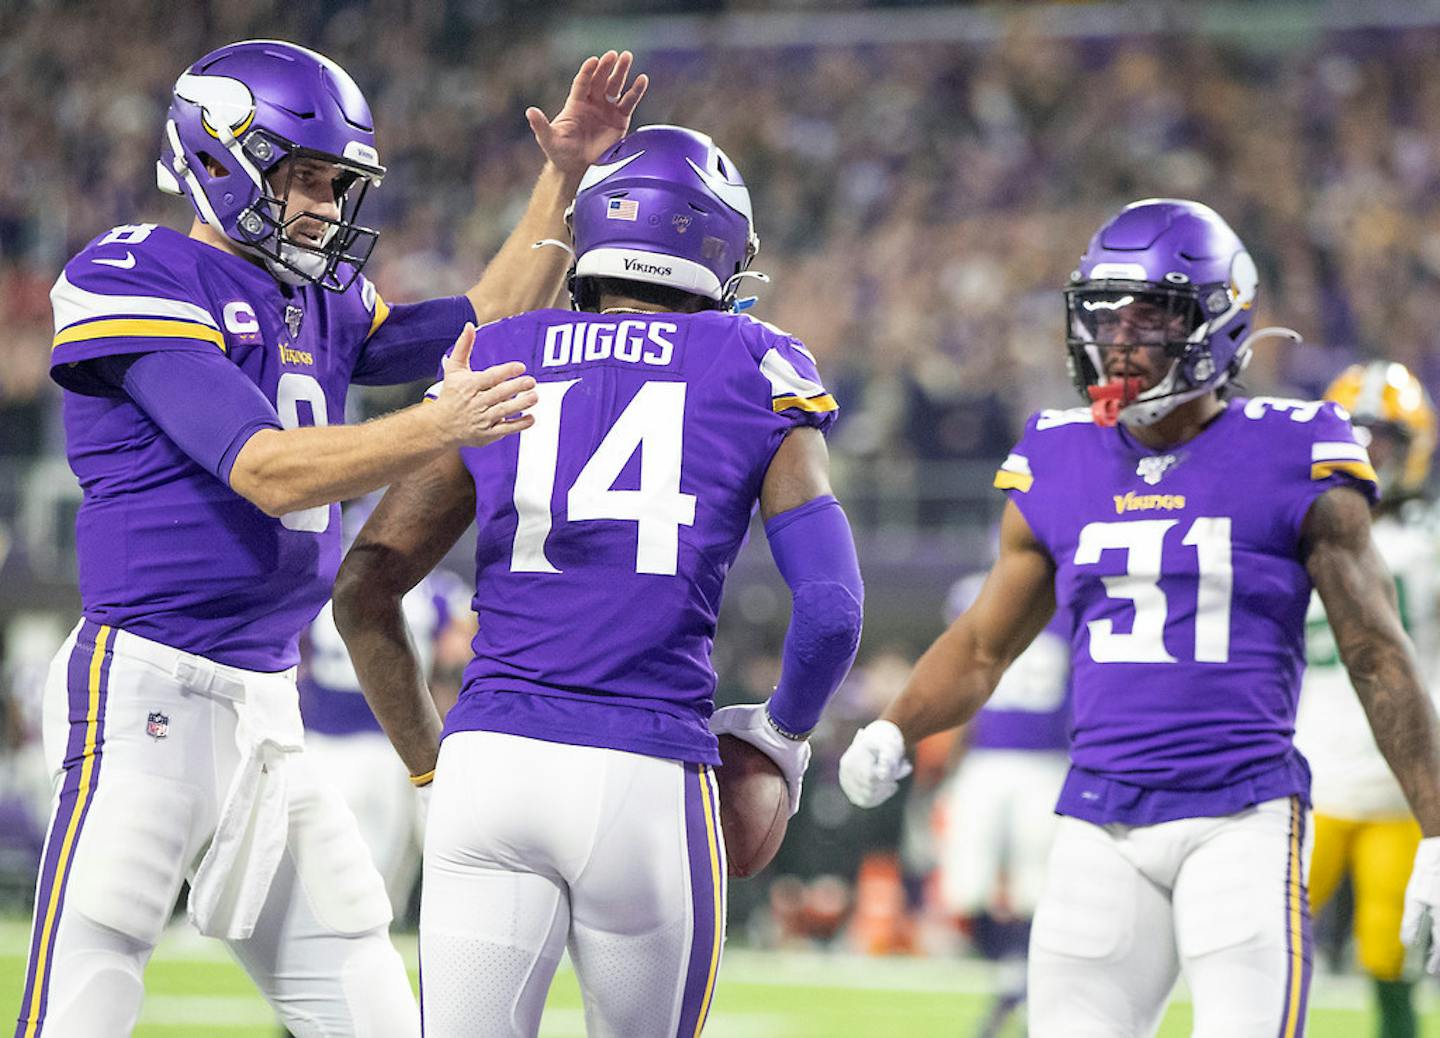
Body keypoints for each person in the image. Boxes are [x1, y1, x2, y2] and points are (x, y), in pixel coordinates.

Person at [17, 39, 647, 1038]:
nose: (319, 202)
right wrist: (440, 424)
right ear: (217, 157)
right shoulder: (136, 271)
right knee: (94, 960)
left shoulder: (323, 296)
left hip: (268, 705)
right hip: (146, 686)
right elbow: (264, 469)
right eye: (299, 176)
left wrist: (563, 177)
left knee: (359, 974)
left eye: (332, 182)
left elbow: (483, 319)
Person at [837, 198, 1440, 1037]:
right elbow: (982, 646)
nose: (1120, 335)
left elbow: (1377, 651)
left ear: (1219, 320)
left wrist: (1438, 830)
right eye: (1106, 311)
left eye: (1152, 312)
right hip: (1097, 820)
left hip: (1243, 815)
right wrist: (897, 728)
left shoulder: (1296, 448)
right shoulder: (1056, 453)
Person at [331, 124, 865, 1037]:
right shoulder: (754, 360)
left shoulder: (500, 350)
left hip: (490, 768)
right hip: (644, 770)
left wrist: (435, 767)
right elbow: (831, 608)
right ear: (718, 248)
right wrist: (780, 742)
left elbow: (364, 589)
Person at [1295, 361, 1440, 1038]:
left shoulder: (1427, 542)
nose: (1370, 451)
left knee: (1391, 954)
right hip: (1307, 778)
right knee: (1254, 939)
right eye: (1358, 435)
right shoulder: (1298, 529)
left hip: (1399, 788)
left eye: (1383, 438)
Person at [299, 502, 474, 917]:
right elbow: (460, 646)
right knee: (380, 888)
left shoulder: (323, 586)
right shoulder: (437, 592)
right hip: (394, 742)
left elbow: (297, 656)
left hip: (321, 741)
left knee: (322, 882)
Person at [935, 574, 1071, 1038]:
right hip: (989, 760)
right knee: (965, 886)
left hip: (1048, 760)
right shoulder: (975, 594)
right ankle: (1014, 977)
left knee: (1040, 888)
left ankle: (1021, 982)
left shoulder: (1071, 599)